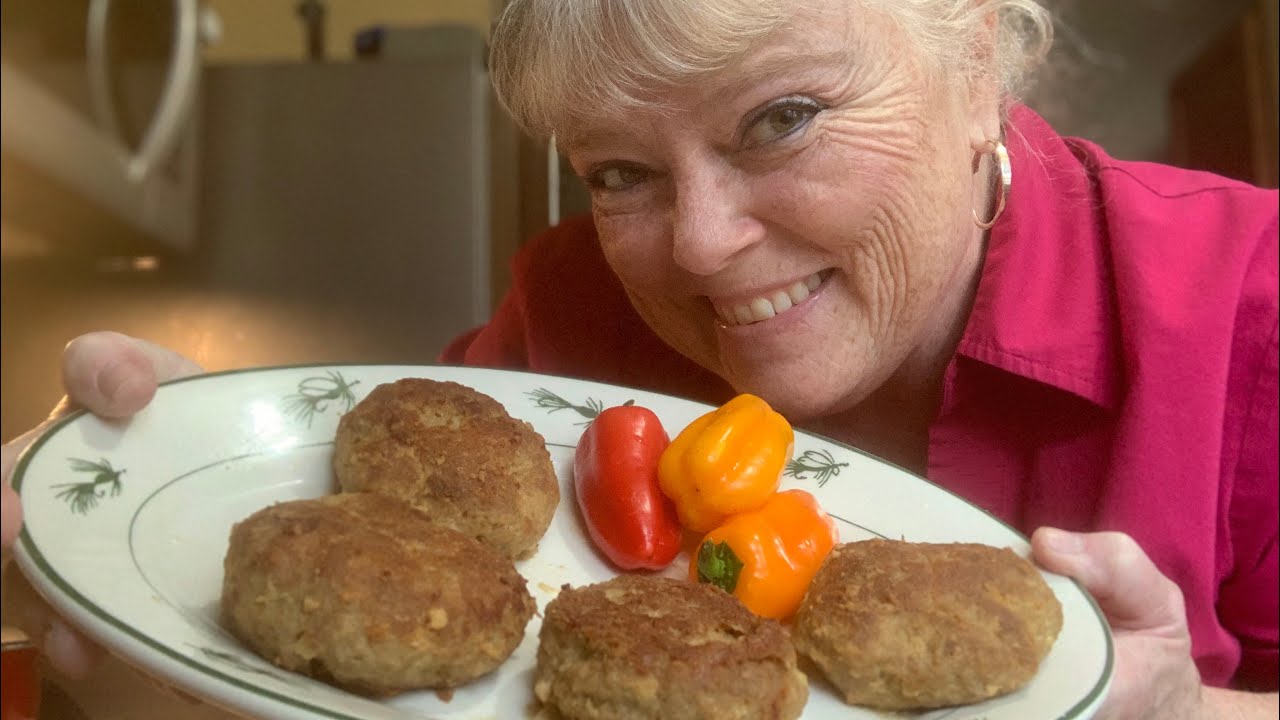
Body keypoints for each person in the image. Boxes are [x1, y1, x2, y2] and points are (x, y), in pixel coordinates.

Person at [2, 0, 1276, 717]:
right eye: (621, 172)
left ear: (980, 51)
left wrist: (1187, 719)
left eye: (781, 118)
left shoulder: (1246, 305)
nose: (706, 246)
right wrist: (128, 525)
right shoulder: (564, 315)